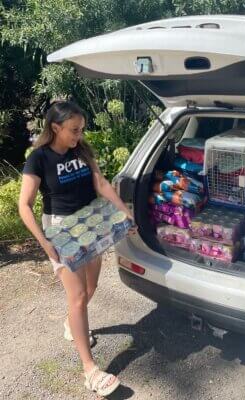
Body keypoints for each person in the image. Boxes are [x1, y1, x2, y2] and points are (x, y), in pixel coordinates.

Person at [19, 100, 132, 397]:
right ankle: (90, 371)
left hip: (90, 225)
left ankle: (73, 323)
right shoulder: (38, 159)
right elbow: (24, 206)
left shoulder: (81, 150)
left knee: (91, 286)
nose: (78, 135)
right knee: (78, 296)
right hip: (60, 230)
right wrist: (45, 243)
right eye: (73, 130)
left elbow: (100, 183)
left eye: (81, 129)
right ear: (55, 127)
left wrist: (124, 212)